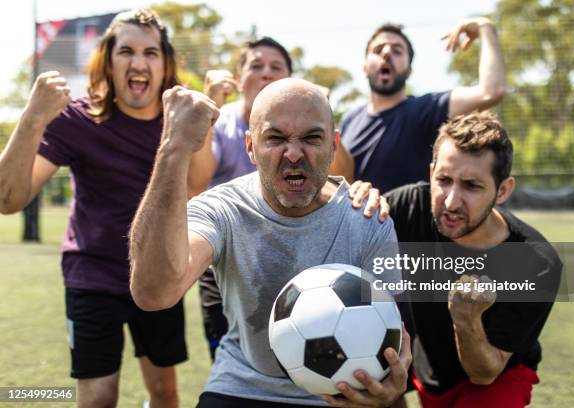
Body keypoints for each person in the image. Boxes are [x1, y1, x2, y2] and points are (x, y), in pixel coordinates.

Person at [129, 78, 411, 407]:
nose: (293, 153)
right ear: (250, 147)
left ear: (334, 145)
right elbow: (153, 293)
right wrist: (173, 147)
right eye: (275, 138)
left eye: (311, 137)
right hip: (240, 388)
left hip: (341, 395)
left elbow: (393, 338)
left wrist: (390, 391)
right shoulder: (223, 209)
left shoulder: (368, 219)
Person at [0, 9, 186, 407]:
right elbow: (7, 199)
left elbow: (201, 188)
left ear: (164, 62)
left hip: (156, 275)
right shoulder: (77, 119)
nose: (138, 63)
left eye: (151, 53)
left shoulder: (179, 123)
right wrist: (32, 117)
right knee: (99, 398)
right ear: (108, 59)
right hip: (91, 276)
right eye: (126, 52)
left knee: (165, 393)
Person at [189, 37, 356, 360]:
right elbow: (196, 182)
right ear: (237, 80)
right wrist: (207, 115)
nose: (266, 73)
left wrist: (323, 114)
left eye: (276, 67)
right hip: (227, 257)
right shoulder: (221, 123)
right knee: (233, 351)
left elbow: (345, 178)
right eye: (255, 66)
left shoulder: (313, 122)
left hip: (294, 251)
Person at [382, 111, 561, 407]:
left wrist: (467, 318)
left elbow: (484, 373)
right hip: (428, 365)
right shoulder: (408, 206)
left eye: (471, 186)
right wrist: (356, 194)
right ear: (431, 174)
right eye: (444, 180)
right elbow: (339, 208)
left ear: (502, 190)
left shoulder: (536, 261)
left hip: (496, 375)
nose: (451, 201)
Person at [341, 18, 506, 193]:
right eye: (378, 49)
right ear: (365, 67)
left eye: (397, 50)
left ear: (409, 70)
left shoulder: (427, 109)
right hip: (355, 219)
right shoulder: (349, 120)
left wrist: (485, 27)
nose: (387, 53)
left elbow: (491, 92)